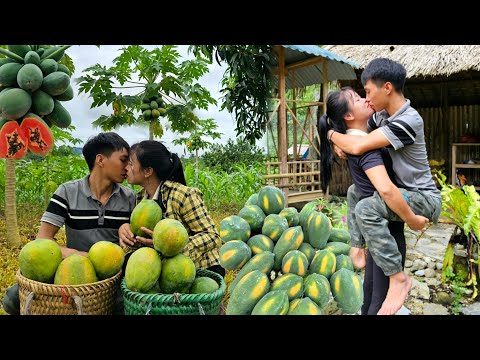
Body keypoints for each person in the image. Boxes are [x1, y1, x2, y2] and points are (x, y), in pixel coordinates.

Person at [328, 58, 442, 315]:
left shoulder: (408, 121)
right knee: (354, 191)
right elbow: (355, 131)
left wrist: (330, 134)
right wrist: (338, 137)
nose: (366, 99)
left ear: (387, 88)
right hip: (405, 192)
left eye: (367, 91)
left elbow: (357, 145)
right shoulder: (381, 116)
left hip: (423, 197)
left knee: (367, 208)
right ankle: (357, 245)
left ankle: (398, 278)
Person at [1, 132, 136, 315]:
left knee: (126, 304)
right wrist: (81, 255)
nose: (127, 167)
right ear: (100, 160)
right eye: (123, 160)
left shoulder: (129, 198)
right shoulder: (67, 192)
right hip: (73, 270)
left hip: (111, 277)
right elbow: (43, 239)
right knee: (11, 298)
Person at [118, 140, 224, 277]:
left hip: (200, 271)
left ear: (148, 171)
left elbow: (212, 236)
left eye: (131, 163)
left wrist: (172, 247)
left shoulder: (182, 195)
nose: (126, 167)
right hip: (168, 274)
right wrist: (126, 230)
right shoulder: (139, 199)